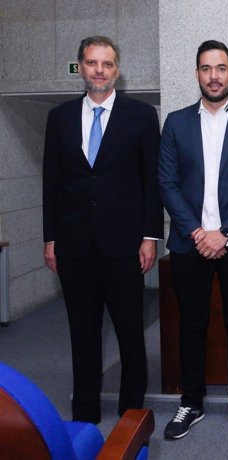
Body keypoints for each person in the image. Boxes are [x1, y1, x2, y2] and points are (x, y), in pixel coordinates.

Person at [42, 36, 163, 423]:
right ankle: (85, 411)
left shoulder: (141, 116)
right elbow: (51, 182)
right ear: (80, 66)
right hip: (74, 246)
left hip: (125, 246)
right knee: (83, 334)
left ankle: (132, 414)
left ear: (117, 69)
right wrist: (51, 237)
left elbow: (152, 182)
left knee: (130, 334)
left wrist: (150, 237)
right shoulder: (58, 117)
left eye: (107, 64)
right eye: (92, 63)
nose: (99, 70)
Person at [158, 40, 228, 441]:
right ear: (196, 74)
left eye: (221, 68)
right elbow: (167, 183)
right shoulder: (175, 122)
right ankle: (191, 402)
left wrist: (224, 233)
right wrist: (197, 233)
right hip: (190, 244)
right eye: (206, 68)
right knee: (191, 325)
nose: (213, 76)